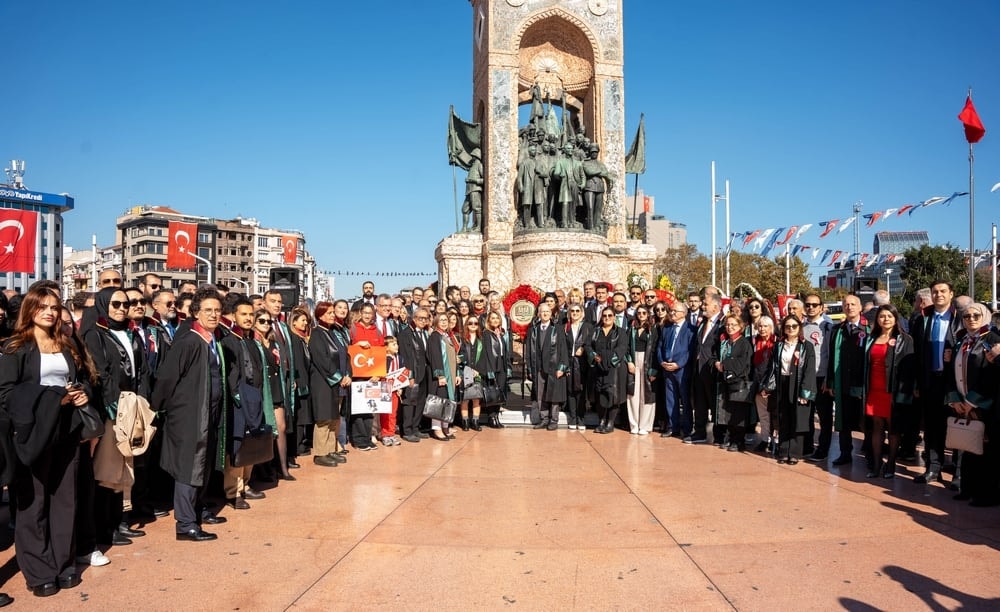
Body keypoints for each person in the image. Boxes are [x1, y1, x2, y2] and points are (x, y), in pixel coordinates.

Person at [0, 286, 96, 597]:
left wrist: (82, 392)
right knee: (34, 503)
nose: (50, 312)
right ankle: (39, 570)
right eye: (42, 306)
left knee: (65, 500)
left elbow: (82, 379)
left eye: (54, 306)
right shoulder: (15, 347)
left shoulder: (66, 345)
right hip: (33, 434)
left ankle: (64, 565)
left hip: (68, 430)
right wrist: (54, 399)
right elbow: (6, 395)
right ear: (29, 309)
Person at [151, 288, 229, 542]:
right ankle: (185, 524)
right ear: (195, 312)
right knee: (189, 466)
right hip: (189, 415)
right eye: (208, 310)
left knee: (204, 464)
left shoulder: (212, 339)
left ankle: (199, 509)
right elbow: (166, 379)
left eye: (217, 310)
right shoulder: (189, 341)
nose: (214, 314)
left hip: (210, 413)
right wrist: (159, 408)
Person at [81, 287, 150, 548]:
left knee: (125, 471)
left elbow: (142, 370)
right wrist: (114, 406)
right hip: (112, 412)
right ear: (103, 305)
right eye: (116, 304)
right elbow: (100, 372)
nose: (122, 308)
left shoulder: (130, 333)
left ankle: (120, 521)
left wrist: (141, 401)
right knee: (108, 472)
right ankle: (104, 529)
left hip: (132, 408)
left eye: (126, 304)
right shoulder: (95, 334)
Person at [946, 302, 1000, 506]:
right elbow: (951, 369)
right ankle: (967, 488)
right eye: (967, 316)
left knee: (986, 450)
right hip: (962, 402)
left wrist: (972, 402)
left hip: (984, 404)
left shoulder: (993, 339)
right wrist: (954, 398)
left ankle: (987, 493)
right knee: (967, 447)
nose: (971, 319)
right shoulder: (961, 340)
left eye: (976, 315)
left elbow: (991, 375)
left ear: (985, 316)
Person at [910, 280, 961, 485]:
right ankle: (933, 468)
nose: (939, 295)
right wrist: (916, 383)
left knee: (956, 427)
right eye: (935, 292)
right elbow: (916, 353)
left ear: (951, 294)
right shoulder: (923, 318)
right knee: (932, 427)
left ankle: (959, 473)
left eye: (943, 291)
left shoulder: (960, 318)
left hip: (954, 382)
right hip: (930, 380)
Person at [219, 297, 268, 508]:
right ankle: (233, 491)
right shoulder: (229, 340)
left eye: (251, 315)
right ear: (234, 315)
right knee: (237, 445)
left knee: (251, 442)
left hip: (255, 397)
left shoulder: (251, 341)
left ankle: (246, 484)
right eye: (244, 314)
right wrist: (238, 396)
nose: (248, 318)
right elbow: (231, 375)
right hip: (239, 400)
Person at [861, 304, 915, 479]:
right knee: (876, 427)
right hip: (873, 389)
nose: (885, 319)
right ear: (877, 319)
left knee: (893, 428)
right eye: (882, 316)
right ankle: (877, 464)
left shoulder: (905, 339)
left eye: (889, 316)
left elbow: (909, 367)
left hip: (892, 389)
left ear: (895, 319)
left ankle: (891, 463)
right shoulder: (871, 338)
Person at [827, 294, 868, 467]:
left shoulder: (869, 328)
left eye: (853, 304)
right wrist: (830, 382)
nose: (849, 307)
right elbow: (831, 357)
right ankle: (845, 453)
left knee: (865, 421)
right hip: (842, 381)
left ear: (860, 307)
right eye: (846, 304)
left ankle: (871, 455)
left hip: (862, 383)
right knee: (843, 422)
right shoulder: (838, 330)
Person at [308, 301, 350, 467]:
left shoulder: (333, 332)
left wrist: (347, 374)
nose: (333, 315)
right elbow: (322, 360)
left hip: (337, 382)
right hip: (323, 383)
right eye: (329, 313)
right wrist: (338, 376)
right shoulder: (317, 334)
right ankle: (320, 453)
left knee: (334, 417)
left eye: (333, 312)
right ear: (320, 315)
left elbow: (345, 355)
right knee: (323, 419)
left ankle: (331, 449)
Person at [252, 309, 294, 476]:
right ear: (255, 322)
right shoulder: (253, 342)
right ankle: (265, 467)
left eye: (268, 321)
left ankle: (283, 467)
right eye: (262, 321)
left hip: (276, 387)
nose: (266, 324)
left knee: (281, 427)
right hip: (262, 389)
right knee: (266, 429)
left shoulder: (274, 342)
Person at [773, 315, 817, 464]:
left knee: (798, 418)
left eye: (794, 326)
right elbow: (773, 367)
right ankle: (783, 451)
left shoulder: (806, 346)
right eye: (787, 326)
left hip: (798, 383)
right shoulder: (778, 345)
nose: (790, 329)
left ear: (799, 328)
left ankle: (795, 453)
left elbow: (810, 370)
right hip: (782, 382)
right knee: (784, 416)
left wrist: (805, 391)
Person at [525, 303, 569, 430]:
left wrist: (562, 367)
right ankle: (544, 419)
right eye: (542, 311)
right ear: (538, 314)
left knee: (554, 396)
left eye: (547, 311)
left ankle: (554, 420)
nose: (545, 314)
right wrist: (529, 368)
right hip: (538, 368)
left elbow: (563, 350)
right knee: (540, 395)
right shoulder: (533, 330)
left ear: (551, 314)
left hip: (554, 368)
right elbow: (529, 351)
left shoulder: (558, 329)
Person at [714, 314, 753, 451]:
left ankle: (739, 441)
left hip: (739, 382)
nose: (730, 327)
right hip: (725, 381)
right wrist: (716, 363)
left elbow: (743, 362)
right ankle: (730, 438)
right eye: (727, 325)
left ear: (740, 327)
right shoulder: (724, 342)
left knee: (739, 414)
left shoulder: (744, 343)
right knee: (728, 412)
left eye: (733, 325)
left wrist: (724, 364)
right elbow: (715, 356)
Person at [689, 291, 723, 444]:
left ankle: (719, 435)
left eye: (706, 304)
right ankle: (700, 432)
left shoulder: (722, 323)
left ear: (715, 307)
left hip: (712, 370)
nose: (703, 306)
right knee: (700, 402)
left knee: (715, 403)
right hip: (698, 368)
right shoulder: (702, 322)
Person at [349, 302, 383, 450]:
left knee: (370, 409)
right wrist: (358, 346)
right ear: (361, 313)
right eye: (365, 313)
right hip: (358, 376)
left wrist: (378, 374)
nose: (368, 316)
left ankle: (367, 437)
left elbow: (382, 353)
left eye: (370, 313)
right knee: (359, 410)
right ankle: (359, 440)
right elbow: (348, 349)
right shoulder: (354, 329)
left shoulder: (377, 331)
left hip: (373, 376)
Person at [589, 307, 628, 434]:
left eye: (610, 315)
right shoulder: (595, 331)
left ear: (614, 317)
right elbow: (588, 346)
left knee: (613, 395)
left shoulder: (620, 332)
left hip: (614, 368)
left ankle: (610, 422)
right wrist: (595, 357)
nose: (607, 318)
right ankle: (601, 420)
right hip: (598, 367)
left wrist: (609, 361)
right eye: (604, 315)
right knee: (600, 395)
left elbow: (622, 348)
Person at [657, 302, 693, 438]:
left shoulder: (691, 329)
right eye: (671, 311)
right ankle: (673, 427)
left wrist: (679, 364)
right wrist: (661, 362)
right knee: (670, 399)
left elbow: (690, 351)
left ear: (683, 313)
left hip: (682, 370)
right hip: (667, 369)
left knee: (685, 400)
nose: (671, 313)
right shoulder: (666, 328)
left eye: (674, 311)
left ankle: (688, 429)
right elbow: (660, 346)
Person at [398, 308, 431, 441]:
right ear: (414, 318)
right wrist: (410, 375)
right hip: (413, 373)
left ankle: (416, 428)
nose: (423, 321)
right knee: (409, 402)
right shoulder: (405, 334)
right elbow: (406, 356)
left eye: (425, 318)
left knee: (420, 402)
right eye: (420, 318)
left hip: (423, 373)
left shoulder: (425, 333)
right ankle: (407, 430)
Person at [427, 312, 460, 441]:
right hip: (441, 375)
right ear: (436, 322)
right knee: (439, 401)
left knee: (447, 401)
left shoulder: (447, 336)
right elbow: (434, 356)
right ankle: (437, 428)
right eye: (441, 320)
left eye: (446, 320)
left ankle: (445, 426)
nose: (444, 322)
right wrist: (440, 375)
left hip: (450, 374)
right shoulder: (435, 337)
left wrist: (457, 374)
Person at [626, 305, 658, 435]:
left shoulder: (653, 329)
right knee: (633, 394)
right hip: (634, 360)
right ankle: (634, 424)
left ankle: (645, 425)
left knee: (647, 394)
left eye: (644, 312)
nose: (641, 315)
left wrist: (654, 370)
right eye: (639, 312)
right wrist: (629, 361)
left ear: (648, 314)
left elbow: (656, 349)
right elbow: (627, 347)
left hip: (647, 361)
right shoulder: (632, 328)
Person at [288, 306, 313, 457]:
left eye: (306, 321)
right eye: (303, 321)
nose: (305, 324)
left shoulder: (302, 339)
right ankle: (296, 446)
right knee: (300, 416)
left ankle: (301, 443)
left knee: (303, 416)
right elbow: (297, 362)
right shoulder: (295, 339)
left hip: (305, 381)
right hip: (300, 382)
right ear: (294, 322)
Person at [750, 316, 777, 452]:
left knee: (775, 415)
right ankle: (765, 439)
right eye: (760, 326)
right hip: (758, 383)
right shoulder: (755, 342)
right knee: (763, 415)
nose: (762, 329)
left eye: (765, 326)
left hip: (772, 384)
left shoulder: (777, 342)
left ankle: (775, 441)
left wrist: (768, 385)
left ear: (771, 328)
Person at [564, 302, 593, 430]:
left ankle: (581, 417)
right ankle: (573, 417)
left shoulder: (587, 327)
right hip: (569, 362)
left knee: (581, 390)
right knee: (570, 391)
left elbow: (590, 342)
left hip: (582, 363)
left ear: (581, 313)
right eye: (572, 311)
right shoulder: (565, 327)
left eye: (577, 311)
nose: (574, 313)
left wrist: (583, 348)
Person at [481, 310, 511, 429]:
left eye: (497, 318)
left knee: (500, 393)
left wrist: (508, 367)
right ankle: (491, 417)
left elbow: (505, 351)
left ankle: (496, 417)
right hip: (492, 367)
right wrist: (489, 370)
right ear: (488, 321)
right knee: (492, 393)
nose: (495, 320)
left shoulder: (500, 334)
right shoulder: (486, 334)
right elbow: (486, 353)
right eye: (492, 318)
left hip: (501, 366)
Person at [459, 316, 486, 431]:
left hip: (478, 372)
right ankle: (465, 421)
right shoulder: (462, 339)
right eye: (470, 323)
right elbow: (460, 356)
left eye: (476, 323)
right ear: (467, 325)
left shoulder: (482, 339)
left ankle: (475, 421)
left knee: (476, 398)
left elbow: (485, 356)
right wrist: (468, 369)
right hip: (466, 371)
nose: (473, 325)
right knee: (465, 398)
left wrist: (478, 370)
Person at [581, 144, 612, 231]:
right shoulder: (586, 162)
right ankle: (590, 226)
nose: (594, 154)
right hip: (589, 187)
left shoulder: (601, 164)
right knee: (590, 207)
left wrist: (609, 178)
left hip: (600, 187)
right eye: (592, 152)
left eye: (596, 152)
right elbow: (589, 172)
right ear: (590, 153)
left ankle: (596, 225)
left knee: (598, 209)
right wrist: (600, 172)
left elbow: (606, 174)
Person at [463, 148, 484, 232]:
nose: (472, 157)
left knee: (477, 208)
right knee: (464, 209)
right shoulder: (472, 166)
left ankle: (478, 227)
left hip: (475, 189)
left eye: (473, 156)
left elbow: (484, 179)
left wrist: (473, 180)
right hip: (469, 190)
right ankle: (464, 228)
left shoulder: (479, 165)